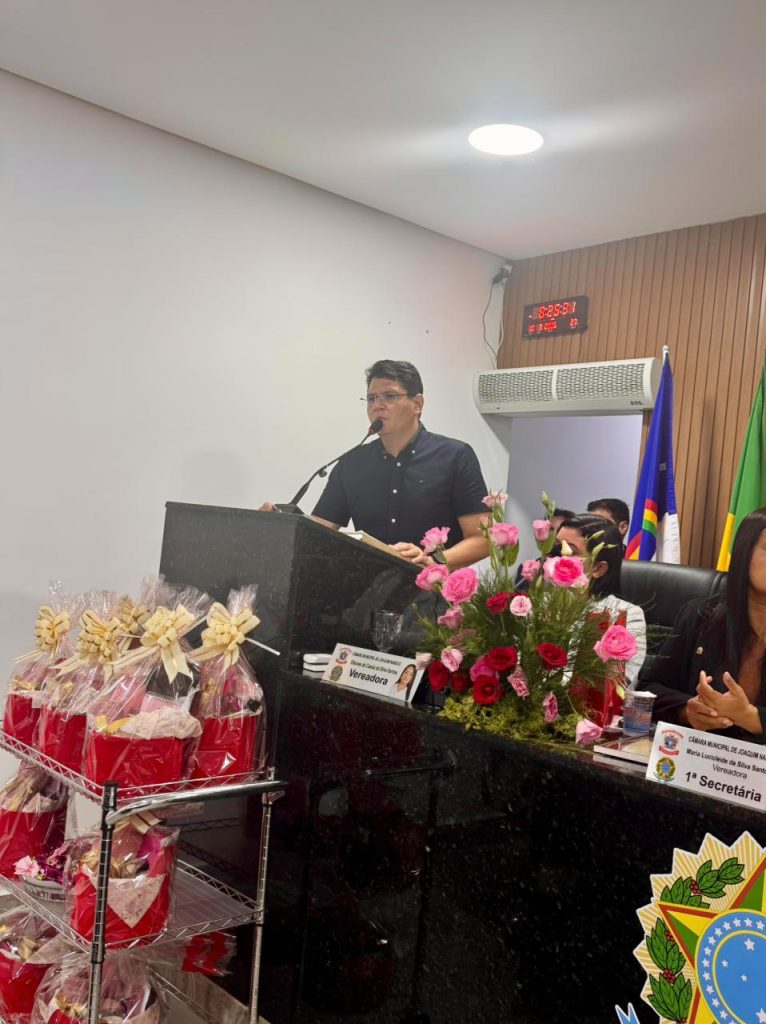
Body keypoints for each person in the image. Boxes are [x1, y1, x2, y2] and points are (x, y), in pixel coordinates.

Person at [308, 359, 490, 568]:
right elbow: (317, 533)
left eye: (390, 396)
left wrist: (433, 561)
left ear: (417, 404)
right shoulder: (351, 464)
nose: (377, 406)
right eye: (371, 399)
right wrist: (283, 522)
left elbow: (483, 540)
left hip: (433, 585)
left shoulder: (455, 456)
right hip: (368, 584)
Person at [637, 509, 766, 743]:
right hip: (695, 757)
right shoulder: (701, 616)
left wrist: (751, 718)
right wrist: (687, 710)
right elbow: (649, 689)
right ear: (744, 553)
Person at [556, 514, 647, 686]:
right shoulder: (535, 605)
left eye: (571, 551)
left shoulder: (627, 615)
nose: (559, 558)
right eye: (557, 548)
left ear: (598, 568)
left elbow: (616, 684)